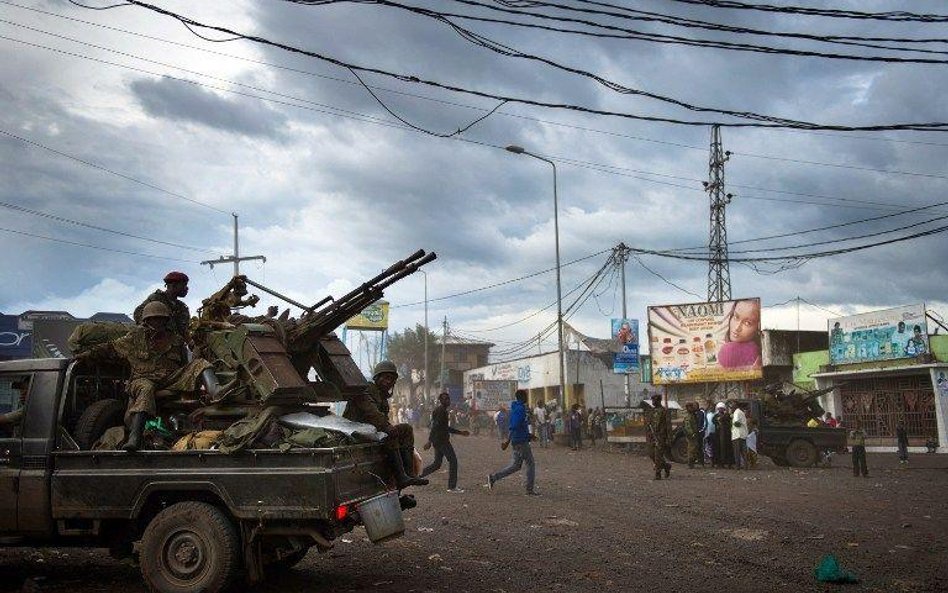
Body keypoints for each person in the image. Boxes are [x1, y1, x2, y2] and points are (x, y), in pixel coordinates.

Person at [77, 301, 221, 452]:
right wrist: (86, 356)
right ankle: (135, 437)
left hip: (170, 379)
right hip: (142, 378)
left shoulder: (176, 340)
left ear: (166, 320)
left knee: (200, 364)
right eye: (153, 319)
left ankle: (217, 392)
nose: (157, 322)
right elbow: (110, 348)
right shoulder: (135, 337)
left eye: (161, 318)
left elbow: (184, 364)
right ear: (146, 320)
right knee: (146, 388)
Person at [344, 360, 428, 489]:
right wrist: (388, 427)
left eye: (392, 379)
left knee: (406, 429)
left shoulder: (382, 397)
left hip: (370, 431)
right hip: (354, 431)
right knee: (389, 433)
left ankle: (410, 474)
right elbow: (371, 412)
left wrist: (388, 427)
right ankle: (401, 476)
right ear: (377, 378)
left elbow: (382, 419)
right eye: (386, 378)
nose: (389, 382)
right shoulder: (366, 389)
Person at [487, 389, 538, 495]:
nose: (527, 398)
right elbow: (514, 426)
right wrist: (509, 440)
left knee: (516, 465)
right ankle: (529, 489)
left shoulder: (515, 408)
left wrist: (528, 435)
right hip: (521, 441)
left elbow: (516, 426)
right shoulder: (520, 409)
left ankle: (493, 478)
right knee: (530, 464)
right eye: (526, 396)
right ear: (523, 397)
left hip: (518, 440)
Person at [420, 391, 470, 492]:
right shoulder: (441, 411)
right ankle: (452, 487)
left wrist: (460, 432)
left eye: (448, 399)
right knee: (453, 461)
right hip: (441, 441)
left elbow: (445, 427)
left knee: (437, 464)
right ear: (440, 401)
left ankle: (418, 476)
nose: (448, 400)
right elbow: (435, 426)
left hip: (438, 440)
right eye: (445, 399)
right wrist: (429, 441)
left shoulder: (441, 410)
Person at [133, 271, 192, 340]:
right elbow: (138, 314)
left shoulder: (182, 307)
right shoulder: (156, 299)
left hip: (174, 346)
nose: (186, 288)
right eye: (184, 285)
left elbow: (184, 331)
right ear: (173, 285)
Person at [717, 300, 761, 369]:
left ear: (758, 326)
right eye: (736, 317)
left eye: (747, 323)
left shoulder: (728, 350)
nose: (737, 327)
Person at [646, 394, 671, 480]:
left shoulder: (664, 411)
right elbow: (648, 424)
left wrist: (669, 438)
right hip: (652, 437)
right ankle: (666, 466)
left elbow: (668, 425)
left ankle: (658, 474)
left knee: (658, 455)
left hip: (660, 437)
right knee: (651, 454)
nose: (653, 402)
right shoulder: (651, 411)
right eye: (652, 400)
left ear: (659, 401)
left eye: (654, 400)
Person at [713, 402, 733, 468]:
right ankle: (720, 463)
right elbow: (714, 422)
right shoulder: (715, 416)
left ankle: (728, 463)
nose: (720, 410)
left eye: (722, 408)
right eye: (719, 409)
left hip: (726, 436)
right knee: (719, 449)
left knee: (727, 449)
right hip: (718, 436)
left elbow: (728, 422)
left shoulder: (727, 415)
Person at [683, 402, 701, 469]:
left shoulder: (693, 415)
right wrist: (692, 433)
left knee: (695, 448)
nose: (693, 408)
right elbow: (688, 426)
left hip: (694, 434)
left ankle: (692, 463)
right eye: (691, 407)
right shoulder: (689, 416)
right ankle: (690, 464)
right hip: (691, 435)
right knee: (691, 449)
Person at [730, 401, 748, 470]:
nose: (731, 409)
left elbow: (737, 423)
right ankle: (745, 466)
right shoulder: (741, 412)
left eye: (732, 407)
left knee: (737, 452)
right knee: (744, 452)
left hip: (737, 434)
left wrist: (733, 422)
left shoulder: (736, 412)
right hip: (743, 434)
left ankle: (738, 466)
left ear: (735, 407)